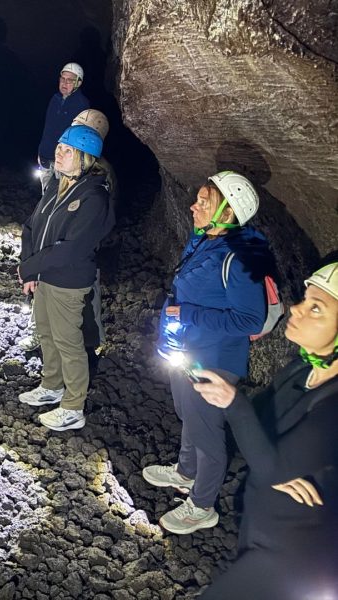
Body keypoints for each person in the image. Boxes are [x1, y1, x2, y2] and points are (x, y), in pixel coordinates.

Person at [193, 263, 338, 599]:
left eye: (317, 308)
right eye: (305, 299)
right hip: (260, 528)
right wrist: (273, 462)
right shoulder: (303, 368)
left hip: (293, 555)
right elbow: (263, 427)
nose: (297, 309)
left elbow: (272, 461)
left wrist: (235, 403)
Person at [142, 171, 270, 534]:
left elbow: (250, 318)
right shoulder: (203, 239)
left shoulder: (239, 257)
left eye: (204, 202)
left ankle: (202, 505)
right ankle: (186, 472)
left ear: (228, 214)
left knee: (207, 432)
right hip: (189, 349)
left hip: (215, 359)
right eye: (197, 199)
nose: (193, 206)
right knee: (189, 414)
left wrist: (190, 315)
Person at [17, 125, 114, 431]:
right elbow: (32, 227)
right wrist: (29, 266)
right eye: (59, 147)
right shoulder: (56, 186)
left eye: (67, 150)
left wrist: (30, 268)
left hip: (68, 282)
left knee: (68, 343)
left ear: (85, 158)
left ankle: (73, 406)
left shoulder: (94, 198)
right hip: (45, 277)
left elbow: (72, 249)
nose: (59, 153)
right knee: (46, 334)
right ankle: (51, 385)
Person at [18, 108, 115, 354]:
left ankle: (91, 343)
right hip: (53, 248)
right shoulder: (65, 174)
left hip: (77, 257)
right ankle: (43, 333)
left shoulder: (99, 180)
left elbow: (97, 224)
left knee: (84, 300)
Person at [35, 63, 90, 193]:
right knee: (46, 195)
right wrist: (41, 151)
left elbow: (81, 138)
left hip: (65, 161)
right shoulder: (55, 99)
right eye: (62, 79)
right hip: (46, 157)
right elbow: (47, 128)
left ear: (78, 83)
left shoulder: (82, 104)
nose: (64, 83)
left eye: (70, 80)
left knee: (63, 196)